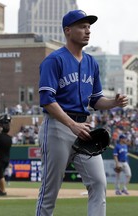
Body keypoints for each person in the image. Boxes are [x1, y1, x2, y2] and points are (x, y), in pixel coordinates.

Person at [36, 10, 128, 216]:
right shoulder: (54, 60)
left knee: (98, 182)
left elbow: (95, 100)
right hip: (58, 127)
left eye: (89, 27)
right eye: (82, 26)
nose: (87, 31)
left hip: (84, 129)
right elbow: (47, 100)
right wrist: (72, 125)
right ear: (68, 31)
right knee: (50, 190)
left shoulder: (91, 63)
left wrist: (113, 102)